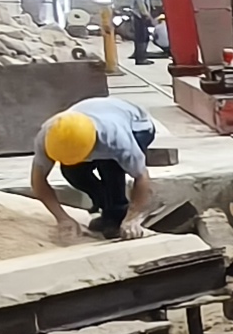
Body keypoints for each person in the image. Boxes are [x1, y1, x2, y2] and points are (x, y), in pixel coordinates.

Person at [30, 96, 159, 239]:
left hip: (138, 125)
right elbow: (38, 181)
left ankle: (117, 213)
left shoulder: (114, 139)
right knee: (72, 172)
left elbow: (142, 176)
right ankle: (109, 209)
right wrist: (62, 218)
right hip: (94, 117)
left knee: (110, 167)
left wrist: (133, 218)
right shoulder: (48, 137)